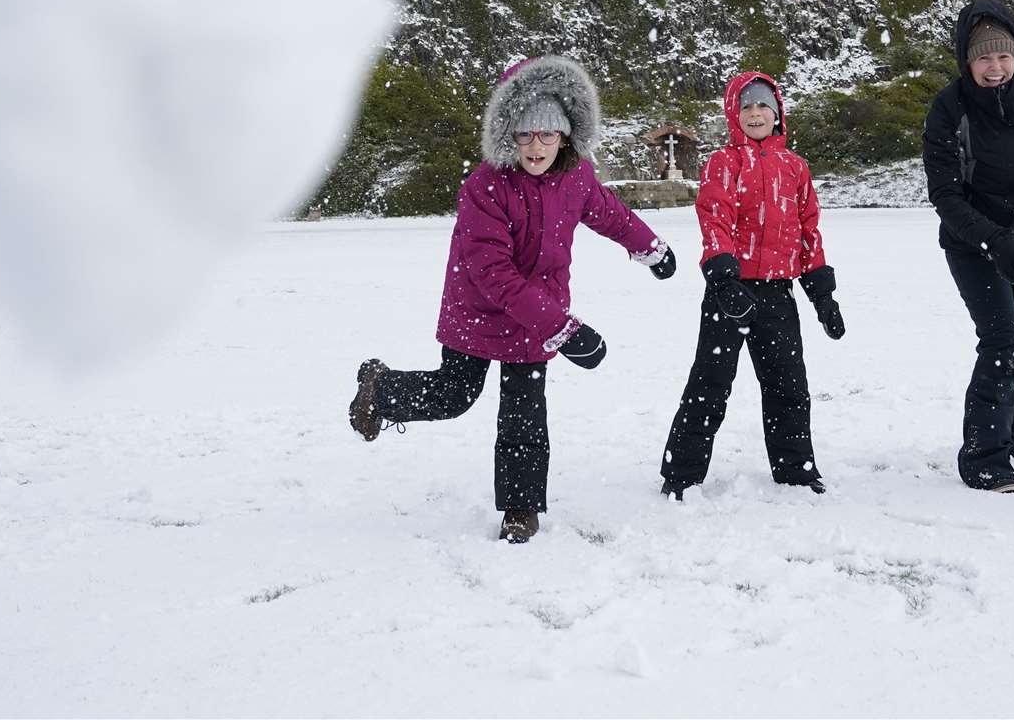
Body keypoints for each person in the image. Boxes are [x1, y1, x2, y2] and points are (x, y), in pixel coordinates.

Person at [348, 56, 677, 543]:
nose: (536, 145)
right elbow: (492, 273)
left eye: (547, 133)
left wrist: (649, 247)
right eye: (525, 133)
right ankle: (380, 388)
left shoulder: (577, 176)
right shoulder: (484, 186)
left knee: (525, 412)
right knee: (453, 395)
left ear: (565, 134)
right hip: (479, 310)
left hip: (535, 316)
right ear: (509, 134)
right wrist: (563, 329)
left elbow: (610, 214)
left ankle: (520, 509)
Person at [659, 72, 845, 501]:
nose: (755, 113)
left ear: (777, 113)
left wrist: (822, 294)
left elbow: (808, 231)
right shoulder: (723, 164)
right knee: (710, 382)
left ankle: (796, 469)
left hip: (779, 293)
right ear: (733, 114)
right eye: (746, 107)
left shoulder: (795, 167)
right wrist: (724, 278)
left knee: (789, 385)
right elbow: (714, 220)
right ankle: (682, 472)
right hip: (730, 293)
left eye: (763, 106)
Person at [922, 0, 1014, 493]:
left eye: (1003, 57)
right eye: (983, 58)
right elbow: (945, 194)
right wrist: (995, 240)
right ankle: (984, 456)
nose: (995, 68)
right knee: (1002, 338)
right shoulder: (950, 109)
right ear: (966, 61)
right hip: (972, 242)